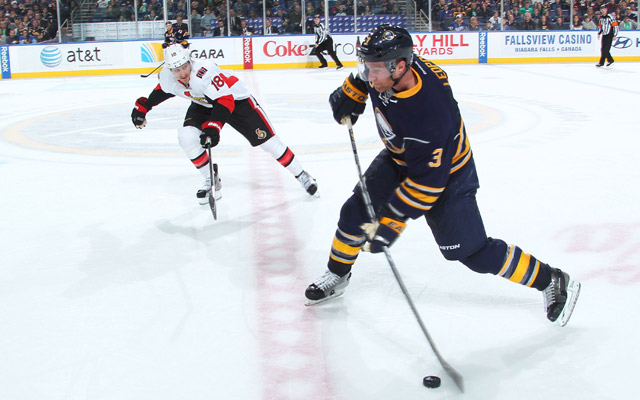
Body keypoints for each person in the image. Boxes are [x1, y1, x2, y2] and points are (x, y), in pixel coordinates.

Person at [304, 25, 581, 328]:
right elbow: (366, 74)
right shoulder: (392, 68)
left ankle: (551, 278)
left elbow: (428, 184)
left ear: (399, 67)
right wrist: (352, 90)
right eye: (366, 67)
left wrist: (392, 222)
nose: (369, 76)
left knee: (472, 253)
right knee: (354, 213)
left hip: (447, 175)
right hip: (402, 157)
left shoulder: (428, 113)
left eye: (374, 71)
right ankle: (338, 274)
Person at [130, 44, 318, 206]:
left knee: (269, 143)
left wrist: (214, 126)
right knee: (186, 137)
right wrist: (145, 107)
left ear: (190, 61)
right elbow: (164, 90)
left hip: (236, 101)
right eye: (177, 70)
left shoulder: (204, 72)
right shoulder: (168, 77)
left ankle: (302, 175)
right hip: (203, 102)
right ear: (170, 70)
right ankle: (210, 178)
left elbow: (225, 100)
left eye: (185, 67)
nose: (182, 73)